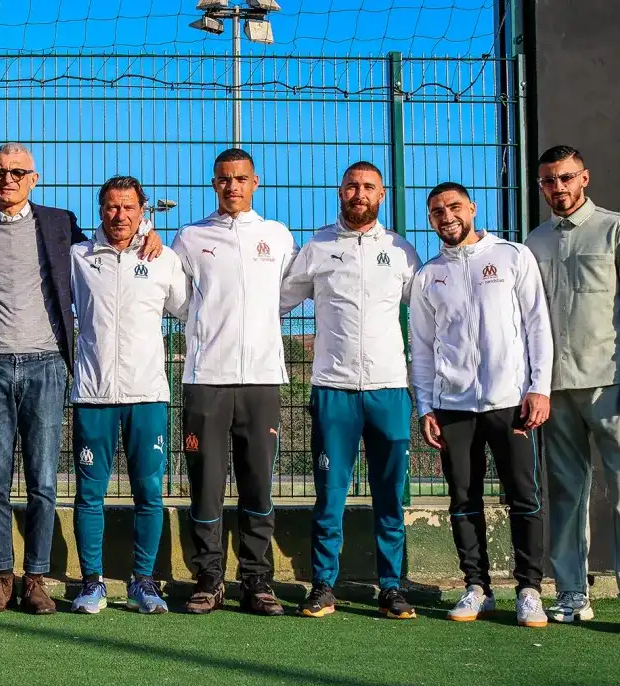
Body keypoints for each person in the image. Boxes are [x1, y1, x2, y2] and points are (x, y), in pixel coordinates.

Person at [0, 143, 160, 614]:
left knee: (44, 482)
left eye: (18, 172)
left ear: (34, 178)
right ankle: (2, 577)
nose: (8, 179)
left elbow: (110, 247)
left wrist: (151, 232)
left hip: (47, 366)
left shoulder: (59, 223)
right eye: (0, 172)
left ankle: (37, 578)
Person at [525, 145, 620, 634]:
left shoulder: (619, 228)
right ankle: (571, 592)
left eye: (564, 179)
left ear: (584, 177)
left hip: (613, 386)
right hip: (555, 390)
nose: (557, 189)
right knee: (565, 495)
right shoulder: (534, 241)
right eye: (547, 181)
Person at [280, 161, 421, 620]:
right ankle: (323, 585)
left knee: (390, 495)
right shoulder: (317, 247)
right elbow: (276, 300)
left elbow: (430, 309)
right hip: (333, 391)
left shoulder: (400, 250)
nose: (359, 193)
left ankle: (392, 587)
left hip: (389, 390)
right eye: (352, 186)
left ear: (382, 195)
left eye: (369, 187)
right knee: (330, 496)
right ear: (339, 191)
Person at [410, 182, 553, 628]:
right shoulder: (428, 274)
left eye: (454, 206)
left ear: (472, 208)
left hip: (510, 402)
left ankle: (529, 589)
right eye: (436, 211)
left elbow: (537, 326)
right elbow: (422, 348)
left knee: (524, 498)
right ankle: (477, 587)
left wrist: (539, 387)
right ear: (430, 219)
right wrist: (426, 407)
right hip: (453, 407)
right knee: (463, 499)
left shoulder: (512, 256)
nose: (446, 216)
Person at [171, 148, 295, 616]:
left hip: (262, 379)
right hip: (207, 378)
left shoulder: (277, 237)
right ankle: (208, 576)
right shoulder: (191, 236)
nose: (232, 187)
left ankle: (257, 580)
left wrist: (257, 322)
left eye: (240, 178)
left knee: (258, 483)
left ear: (255, 182)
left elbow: (287, 294)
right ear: (213, 183)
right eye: (224, 179)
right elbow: (178, 298)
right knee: (205, 484)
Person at [68, 176, 187, 615]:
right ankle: (92, 583)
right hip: (92, 395)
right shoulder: (78, 257)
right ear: (101, 210)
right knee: (89, 494)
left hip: (147, 395)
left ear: (143, 212)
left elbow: (191, 311)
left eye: (128, 208)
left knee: (149, 493)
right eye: (111, 207)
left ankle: (143, 582)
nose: (119, 216)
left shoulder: (162, 258)